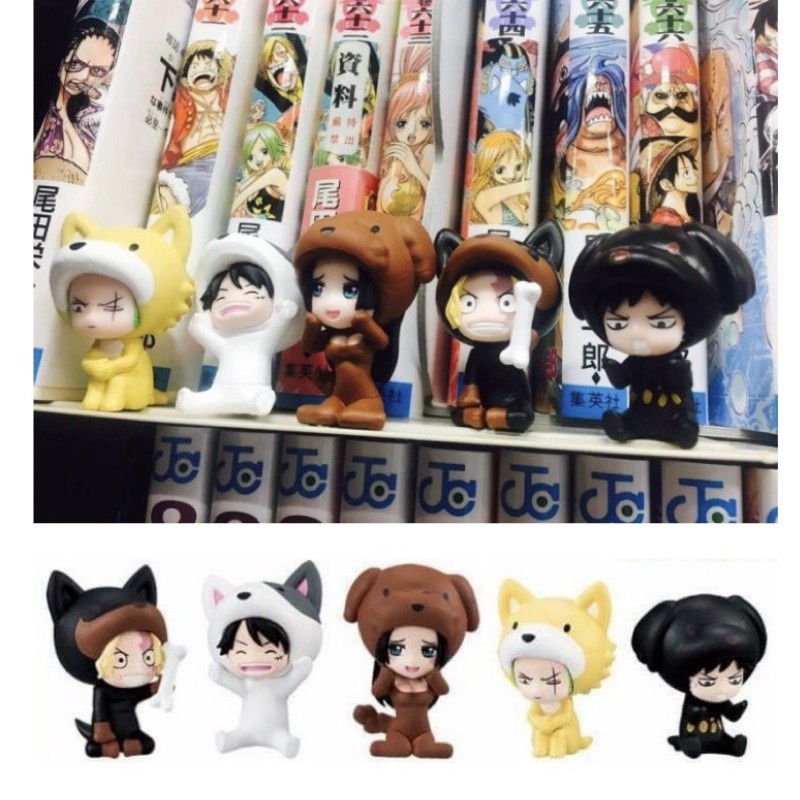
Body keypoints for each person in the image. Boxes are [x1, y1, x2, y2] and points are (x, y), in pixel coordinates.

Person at [568, 222, 755, 447]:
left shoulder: (675, 363)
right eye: (618, 324)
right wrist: (613, 369)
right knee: (634, 418)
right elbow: (621, 381)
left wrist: (675, 373)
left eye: (661, 323)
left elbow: (682, 384)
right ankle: (627, 426)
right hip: (640, 409)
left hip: (675, 411)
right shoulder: (635, 362)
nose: (637, 334)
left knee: (681, 420)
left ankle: (683, 428)